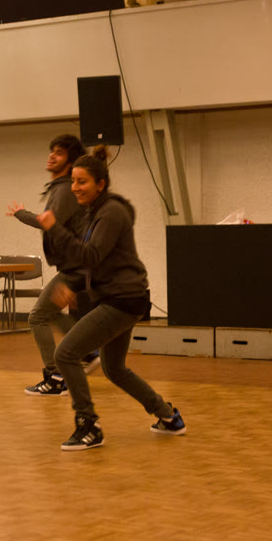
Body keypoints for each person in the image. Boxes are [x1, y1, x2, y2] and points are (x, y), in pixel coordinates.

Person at [36, 145, 185, 450]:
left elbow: (91, 255)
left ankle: (88, 426)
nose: (75, 188)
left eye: (82, 182)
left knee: (65, 354)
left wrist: (54, 229)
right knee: (114, 368)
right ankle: (168, 416)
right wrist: (75, 285)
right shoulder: (94, 211)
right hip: (119, 297)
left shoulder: (111, 212)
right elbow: (95, 259)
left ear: (100, 184)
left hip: (122, 300)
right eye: (73, 181)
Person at [6, 134, 99, 396]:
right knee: (51, 312)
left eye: (58, 152)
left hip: (76, 266)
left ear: (70, 161)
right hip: (72, 266)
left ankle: (56, 377)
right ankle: (87, 353)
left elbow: (48, 221)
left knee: (37, 317)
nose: (51, 156)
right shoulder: (61, 187)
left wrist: (21, 214)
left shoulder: (66, 189)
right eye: (51, 151)